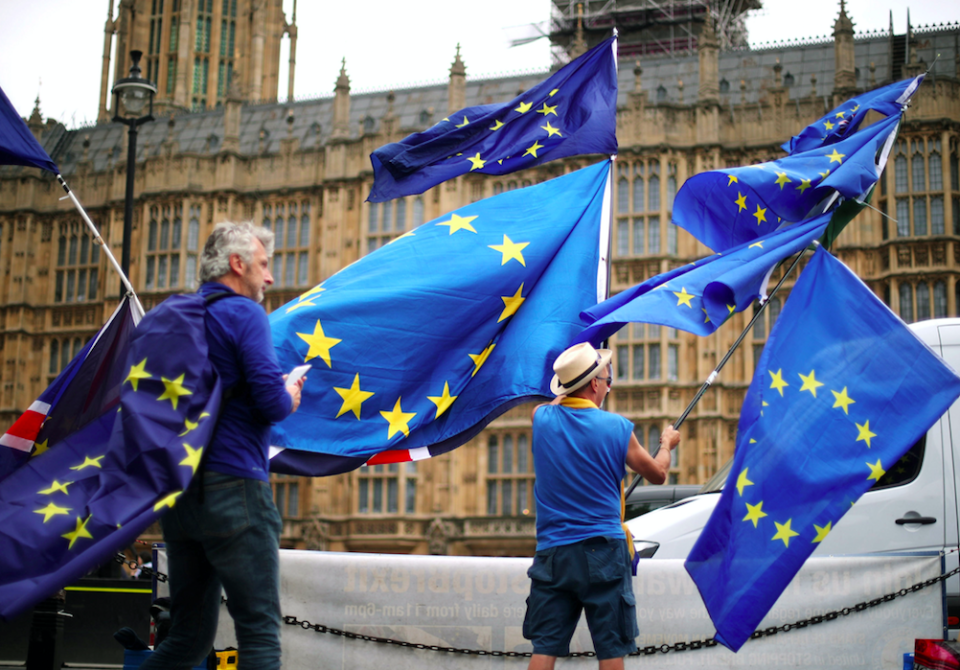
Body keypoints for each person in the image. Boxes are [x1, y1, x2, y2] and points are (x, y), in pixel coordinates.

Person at [140, 222, 304, 670]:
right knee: (259, 633)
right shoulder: (243, 313)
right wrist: (288, 394)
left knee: (187, 639)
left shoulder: (171, 315)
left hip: (180, 493)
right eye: (264, 265)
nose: (269, 278)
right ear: (238, 264)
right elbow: (270, 402)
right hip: (236, 489)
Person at [523, 341, 680, 670]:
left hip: (554, 552)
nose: (609, 387)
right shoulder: (618, 428)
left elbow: (558, 400)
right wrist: (667, 444)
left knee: (544, 648)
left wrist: (569, 381)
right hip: (603, 551)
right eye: (607, 381)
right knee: (610, 650)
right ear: (595, 384)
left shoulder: (542, 418)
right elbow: (659, 474)